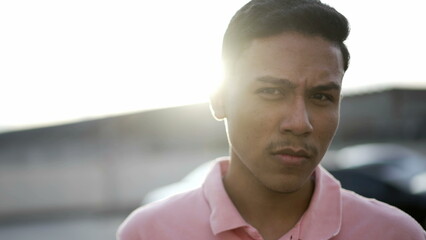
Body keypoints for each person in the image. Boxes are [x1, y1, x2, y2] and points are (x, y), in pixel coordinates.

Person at [117, 0, 426, 239]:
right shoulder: (149, 232)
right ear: (220, 97)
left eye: (321, 97)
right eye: (271, 91)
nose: (299, 122)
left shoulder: (394, 233)